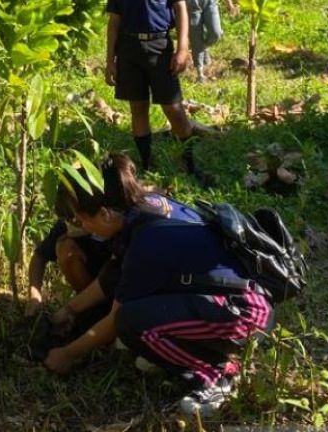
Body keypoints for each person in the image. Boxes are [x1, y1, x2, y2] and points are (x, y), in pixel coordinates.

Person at [42, 154, 274, 419]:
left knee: (131, 323)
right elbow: (113, 276)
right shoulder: (146, 207)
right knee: (132, 320)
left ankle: (216, 374)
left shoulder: (146, 242)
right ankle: (194, 351)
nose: (82, 227)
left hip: (242, 313)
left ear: (105, 214)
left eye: (83, 219)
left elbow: (114, 321)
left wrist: (66, 354)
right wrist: (68, 310)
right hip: (225, 299)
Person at [105, 0, 202, 173]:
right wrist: (109, 61)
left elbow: (180, 9)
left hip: (160, 48)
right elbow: (114, 22)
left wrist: (183, 48)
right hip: (129, 50)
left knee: (173, 107)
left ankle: (190, 163)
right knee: (138, 108)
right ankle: (147, 162)